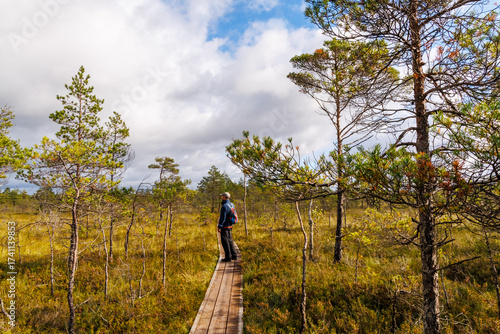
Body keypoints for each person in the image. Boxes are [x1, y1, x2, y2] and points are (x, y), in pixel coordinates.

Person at [218, 192, 237, 262]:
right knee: (229, 240)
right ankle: (234, 255)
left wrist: (219, 226)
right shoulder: (232, 204)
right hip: (230, 225)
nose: (221, 197)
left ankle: (228, 257)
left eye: (222, 196)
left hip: (225, 226)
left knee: (225, 242)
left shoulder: (224, 206)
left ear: (225, 197)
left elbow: (223, 217)